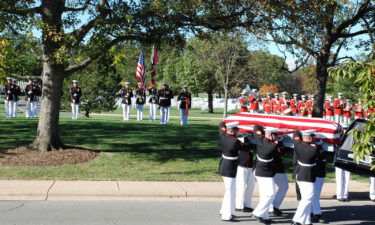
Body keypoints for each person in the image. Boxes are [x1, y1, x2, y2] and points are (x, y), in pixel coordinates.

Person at [251, 125, 278, 224]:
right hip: (265, 172)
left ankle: (265, 216)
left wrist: (263, 128)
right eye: (276, 135)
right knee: (270, 193)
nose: (277, 136)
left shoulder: (259, 139)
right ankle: (257, 212)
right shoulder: (273, 146)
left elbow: (255, 127)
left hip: (259, 170)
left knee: (264, 195)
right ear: (270, 135)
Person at [291, 130, 318, 225]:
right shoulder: (313, 149)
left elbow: (295, 135)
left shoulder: (297, 144)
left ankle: (306, 221)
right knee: (307, 198)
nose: (315, 138)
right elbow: (316, 153)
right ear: (310, 138)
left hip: (300, 172)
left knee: (306, 198)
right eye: (313, 137)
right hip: (306, 175)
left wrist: (301, 130)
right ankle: (297, 219)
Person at [219, 121, 241, 222]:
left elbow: (221, 125)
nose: (238, 131)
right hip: (230, 167)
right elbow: (245, 146)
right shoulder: (235, 141)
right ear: (232, 131)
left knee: (229, 190)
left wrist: (226, 123)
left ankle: (224, 211)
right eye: (237, 130)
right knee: (230, 191)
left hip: (224, 165)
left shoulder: (223, 135)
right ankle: (226, 216)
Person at [235, 131, 256, 213]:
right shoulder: (238, 141)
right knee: (241, 186)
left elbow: (253, 147)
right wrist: (245, 138)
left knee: (251, 185)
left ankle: (247, 205)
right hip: (241, 166)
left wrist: (250, 139)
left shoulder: (249, 141)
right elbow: (244, 146)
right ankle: (239, 206)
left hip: (250, 166)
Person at [269, 140, 289, 217]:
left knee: (284, 187)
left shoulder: (280, 145)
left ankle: (275, 206)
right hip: (269, 169)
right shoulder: (268, 144)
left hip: (279, 168)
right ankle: (270, 209)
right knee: (271, 190)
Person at [312, 145, 328, 223]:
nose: (321, 151)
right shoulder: (316, 155)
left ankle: (313, 212)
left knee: (316, 195)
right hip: (316, 177)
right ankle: (316, 214)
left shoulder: (322, 155)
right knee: (315, 196)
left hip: (320, 176)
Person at [335, 123, 351, 202]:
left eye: (346, 129)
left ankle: (345, 195)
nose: (345, 130)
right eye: (344, 129)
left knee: (346, 178)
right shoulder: (338, 138)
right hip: (339, 160)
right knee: (339, 178)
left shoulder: (351, 138)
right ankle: (339, 195)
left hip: (348, 160)